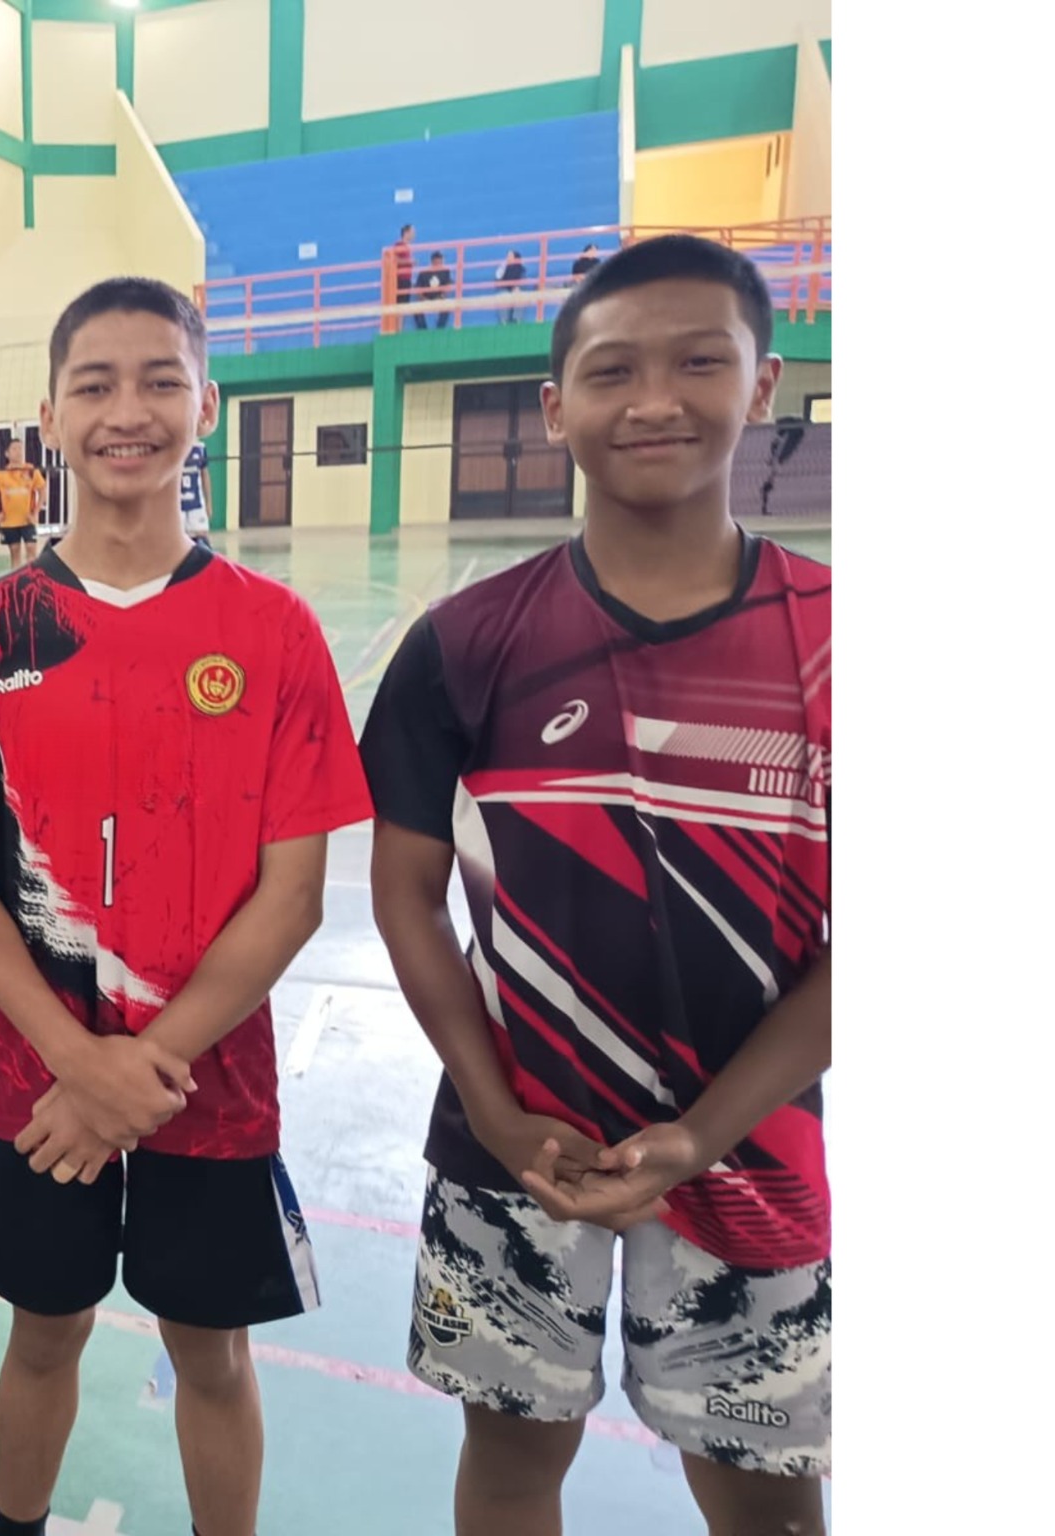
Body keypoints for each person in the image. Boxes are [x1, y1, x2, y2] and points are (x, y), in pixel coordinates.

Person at [359, 233, 831, 1536]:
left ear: (764, 384)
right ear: (556, 406)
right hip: (518, 1147)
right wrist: (494, 1106)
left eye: (699, 363)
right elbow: (404, 895)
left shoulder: (836, 642)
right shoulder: (464, 645)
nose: (654, 400)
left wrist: (706, 1132)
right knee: (512, 1461)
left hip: (752, 1149)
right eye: (613, 371)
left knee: (768, 1495)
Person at [0, 280, 372, 1536]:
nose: (129, 411)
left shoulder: (273, 631)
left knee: (211, 1353)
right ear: (50, 416)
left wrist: (141, 1066)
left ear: (205, 405)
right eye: (97, 384)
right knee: (43, 1333)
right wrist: (78, 1065)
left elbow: (292, 896)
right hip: (36, 1087)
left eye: (161, 380)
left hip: (209, 1088)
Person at [0, 439, 47, 571]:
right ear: (7, 453)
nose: (18, 452)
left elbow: (42, 490)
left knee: (31, 550)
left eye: (20, 448)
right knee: (15, 553)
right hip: (9, 522)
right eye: (14, 449)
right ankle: (17, 581)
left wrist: (36, 512)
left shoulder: (31, 471)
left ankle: (32, 578)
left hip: (27, 520)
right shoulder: (0, 475)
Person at [385, 223, 415, 336]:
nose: (414, 234)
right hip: (401, 279)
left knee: (403, 305)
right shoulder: (399, 245)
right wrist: (409, 262)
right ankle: (397, 330)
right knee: (400, 304)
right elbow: (394, 258)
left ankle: (399, 329)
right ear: (406, 233)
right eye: (412, 232)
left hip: (406, 278)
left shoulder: (405, 246)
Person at [177, 440, 212, 538]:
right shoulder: (171, 446)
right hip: (176, 506)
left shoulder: (200, 447)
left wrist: (208, 503)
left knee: (201, 538)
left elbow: (205, 475)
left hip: (197, 504)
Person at [414, 251, 454, 330]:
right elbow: (418, 289)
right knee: (415, 310)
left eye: (440, 262)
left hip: (439, 298)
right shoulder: (423, 273)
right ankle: (423, 331)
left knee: (447, 307)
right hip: (425, 299)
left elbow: (447, 287)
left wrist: (441, 297)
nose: (438, 264)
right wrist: (423, 298)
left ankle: (440, 329)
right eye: (436, 262)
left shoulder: (446, 272)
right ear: (432, 262)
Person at [497, 249, 527, 323]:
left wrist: (517, 287)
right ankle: (503, 321)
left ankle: (517, 320)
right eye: (507, 256)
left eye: (510, 256)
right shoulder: (503, 267)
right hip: (505, 289)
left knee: (520, 296)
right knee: (503, 296)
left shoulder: (521, 268)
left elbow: (522, 281)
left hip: (517, 289)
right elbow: (498, 279)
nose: (508, 258)